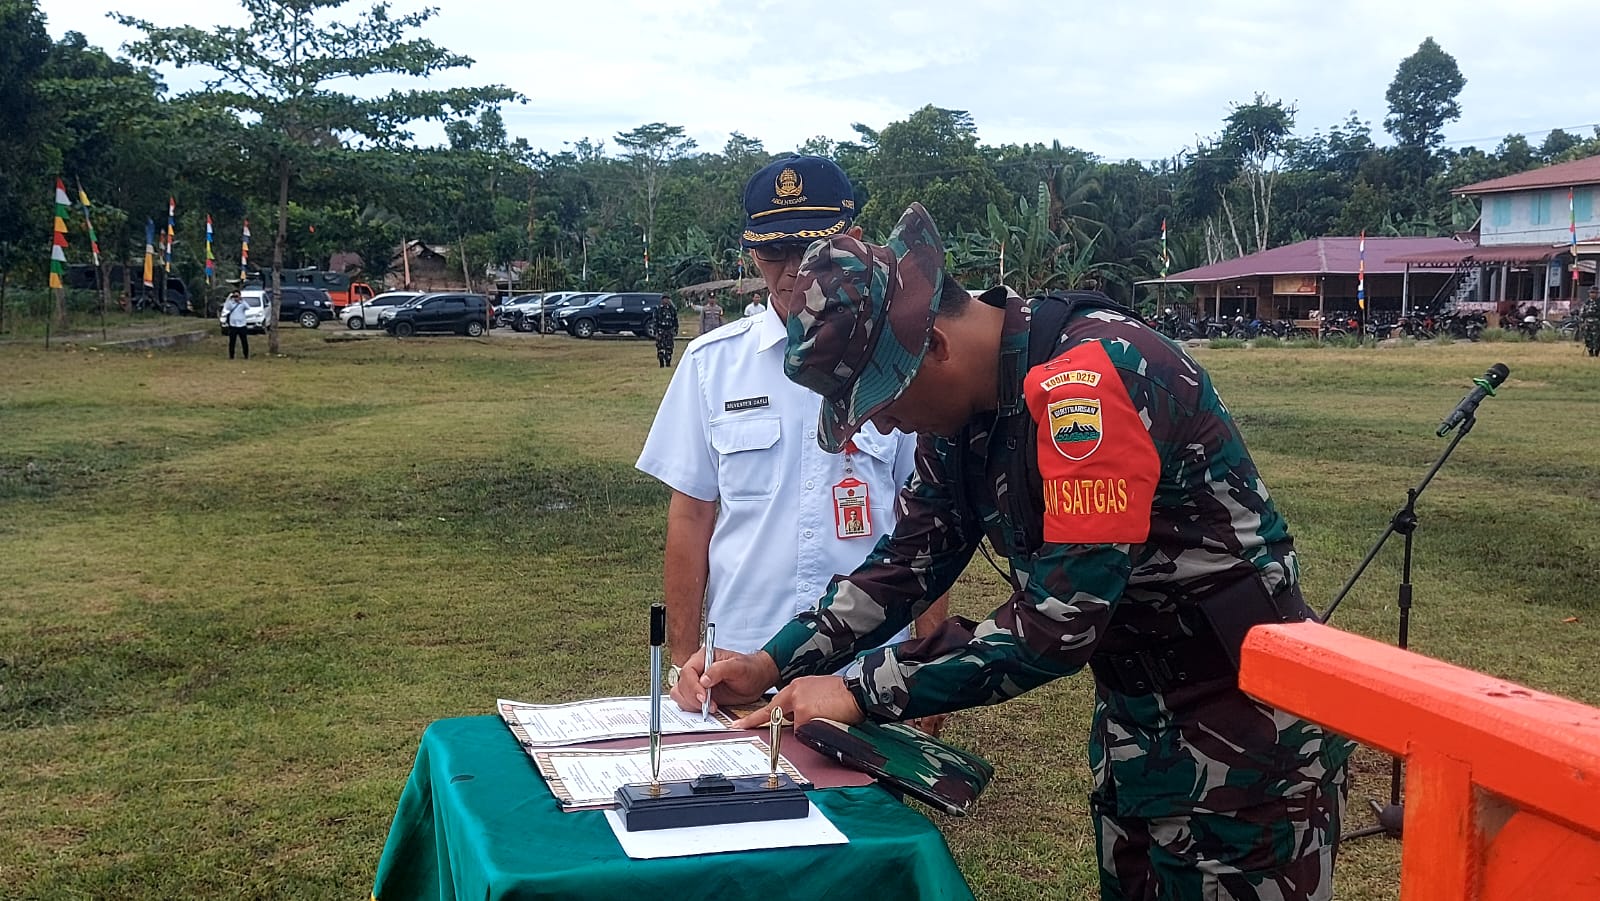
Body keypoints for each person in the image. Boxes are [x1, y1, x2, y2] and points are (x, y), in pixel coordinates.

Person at [676, 203, 1354, 901]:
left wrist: (856, 690)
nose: (878, 421)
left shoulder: (1093, 384)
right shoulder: (965, 414)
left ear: (933, 346)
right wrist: (770, 660)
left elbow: (1055, 625)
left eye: (878, 397)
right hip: (1140, 732)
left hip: (1248, 745)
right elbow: (906, 563)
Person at [636, 157, 947, 729]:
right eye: (772, 251)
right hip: (738, 660)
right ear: (750, 252)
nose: (790, 271)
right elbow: (692, 515)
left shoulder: (899, 367)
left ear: (852, 240)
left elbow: (924, 522)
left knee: (867, 819)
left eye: (809, 248)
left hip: (868, 668)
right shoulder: (714, 366)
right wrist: (684, 658)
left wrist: (926, 674)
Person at [221, 291, 250, 360]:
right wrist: (229, 297)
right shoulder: (231, 303)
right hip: (233, 325)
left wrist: (241, 300)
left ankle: (246, 355)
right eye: (235, 296)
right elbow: (226, 307)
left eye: (237, 296)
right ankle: (231, 356)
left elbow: (248, 307)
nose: (236, 298)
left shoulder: (242, 303)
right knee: (232, 342)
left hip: (242, 325)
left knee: (244, 341)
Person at [653, 296, 679, 367]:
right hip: (661, 330)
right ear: (662, 300)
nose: (666, 300)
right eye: (664, 299)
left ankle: (668, 362)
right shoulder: (658, 309)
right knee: (660, 348)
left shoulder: (672, 309)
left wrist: (676, 329)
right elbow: (655, 321)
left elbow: (675, 320)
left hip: (669, 330)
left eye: (667, 299)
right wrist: (656, 332)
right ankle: (661, 363)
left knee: (669, 348)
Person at [1580, 286, 1600, 357]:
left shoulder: (1599, 302)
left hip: (1597, 325)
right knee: (1588, 339)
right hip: (1587, 324)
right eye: (1591, 292)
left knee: (1597, 340)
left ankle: (1596, 353)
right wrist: (1582, 323)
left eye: (1594, 293)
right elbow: (1582, 313)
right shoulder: (1587, 302)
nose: (1592, 294)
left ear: (1597, 293)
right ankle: (1590, 353)